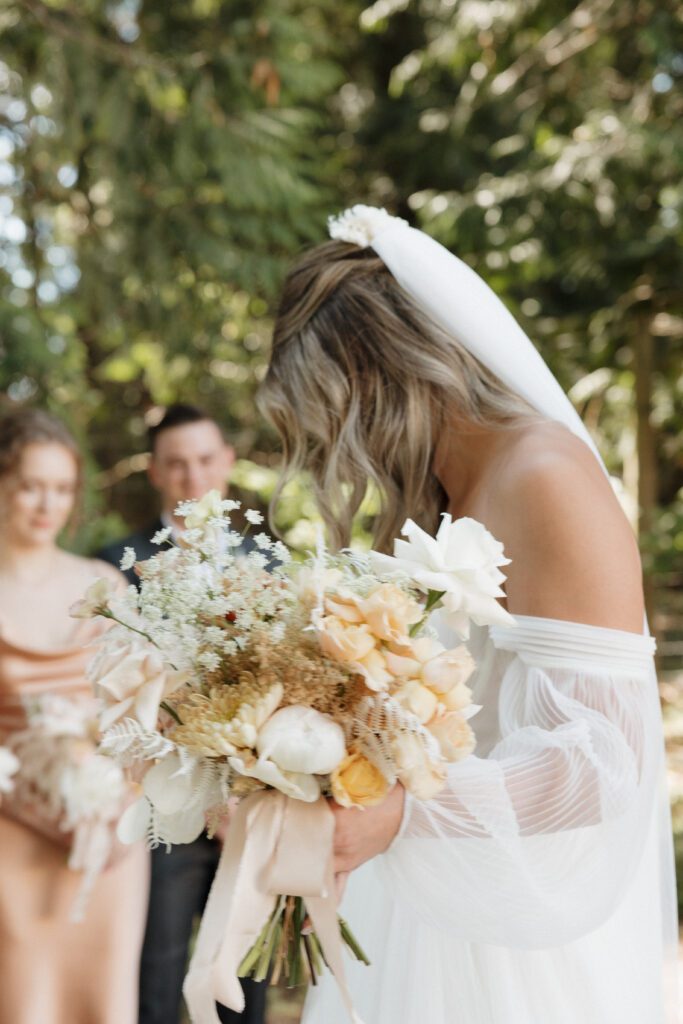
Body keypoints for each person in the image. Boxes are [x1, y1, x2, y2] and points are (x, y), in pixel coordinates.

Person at [257, 206, 679, 1024]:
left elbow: (605, 765)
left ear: (383, 376)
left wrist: (404, 806)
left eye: (332, 410)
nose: (338, 446)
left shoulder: (544, 475)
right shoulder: (447, 499)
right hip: (431, 901)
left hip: (513, 942)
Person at [97, 403, 268, 1024]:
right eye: (177, 465)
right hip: (162, 805)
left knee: (244, 978)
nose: (193, 476)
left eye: (204, 460)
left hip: (252, 802)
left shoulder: (269, 561)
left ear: (225, 461)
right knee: (156, 971)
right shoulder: (115, 564)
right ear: (157, 474)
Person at [0, 407, 149, 1024]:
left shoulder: (102, 586)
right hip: (11, 833)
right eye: (32, 484)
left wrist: (119, 805)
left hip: (105, 840)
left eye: (62, 488)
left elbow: (142, 712)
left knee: (103, 998)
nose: (47, 503)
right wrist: (26, 800)